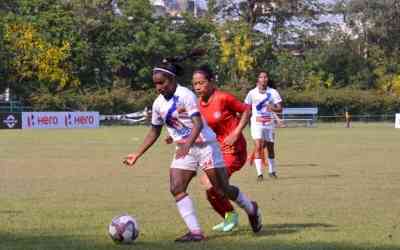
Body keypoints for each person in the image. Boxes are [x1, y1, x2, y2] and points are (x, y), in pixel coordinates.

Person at [123, 61, 262, 242]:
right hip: (184, 148)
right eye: (155, 83)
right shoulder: (158, 104)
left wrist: (187, 144)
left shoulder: (186, 95)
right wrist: (138, 153)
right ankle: (196, 232)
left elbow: (197, 124)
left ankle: (251, 208)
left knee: (221, 189)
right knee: (176, 188)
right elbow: (154, 130)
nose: (158, 87)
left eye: (161, 83)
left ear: (171, 80)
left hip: (206, 147)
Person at [191, 65, 252, 232]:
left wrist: (236, 132)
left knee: (213, 184)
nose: (197, 87)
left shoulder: (224, 98)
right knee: (209, 187)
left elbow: (247, 109)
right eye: (195, 84)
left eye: (201, 83)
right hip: (217, 151)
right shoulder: (197, 104)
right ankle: (230, 215)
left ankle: (247, 209)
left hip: (235, 150)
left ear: (211, 82)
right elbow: (197, 125)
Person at [244, 70, 283, 181]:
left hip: (269, 123)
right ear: (258, 79)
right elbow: (245, 107)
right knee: (258, 146)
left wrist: (273, 108)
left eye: (265, 77)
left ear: (267, 79)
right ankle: (259, 174)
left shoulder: (273, 92)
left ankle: (272, 171)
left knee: (270, 148)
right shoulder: (252, 93)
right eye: (261, 77)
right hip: (256, 124)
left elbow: (280, 108)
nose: (264, 79)